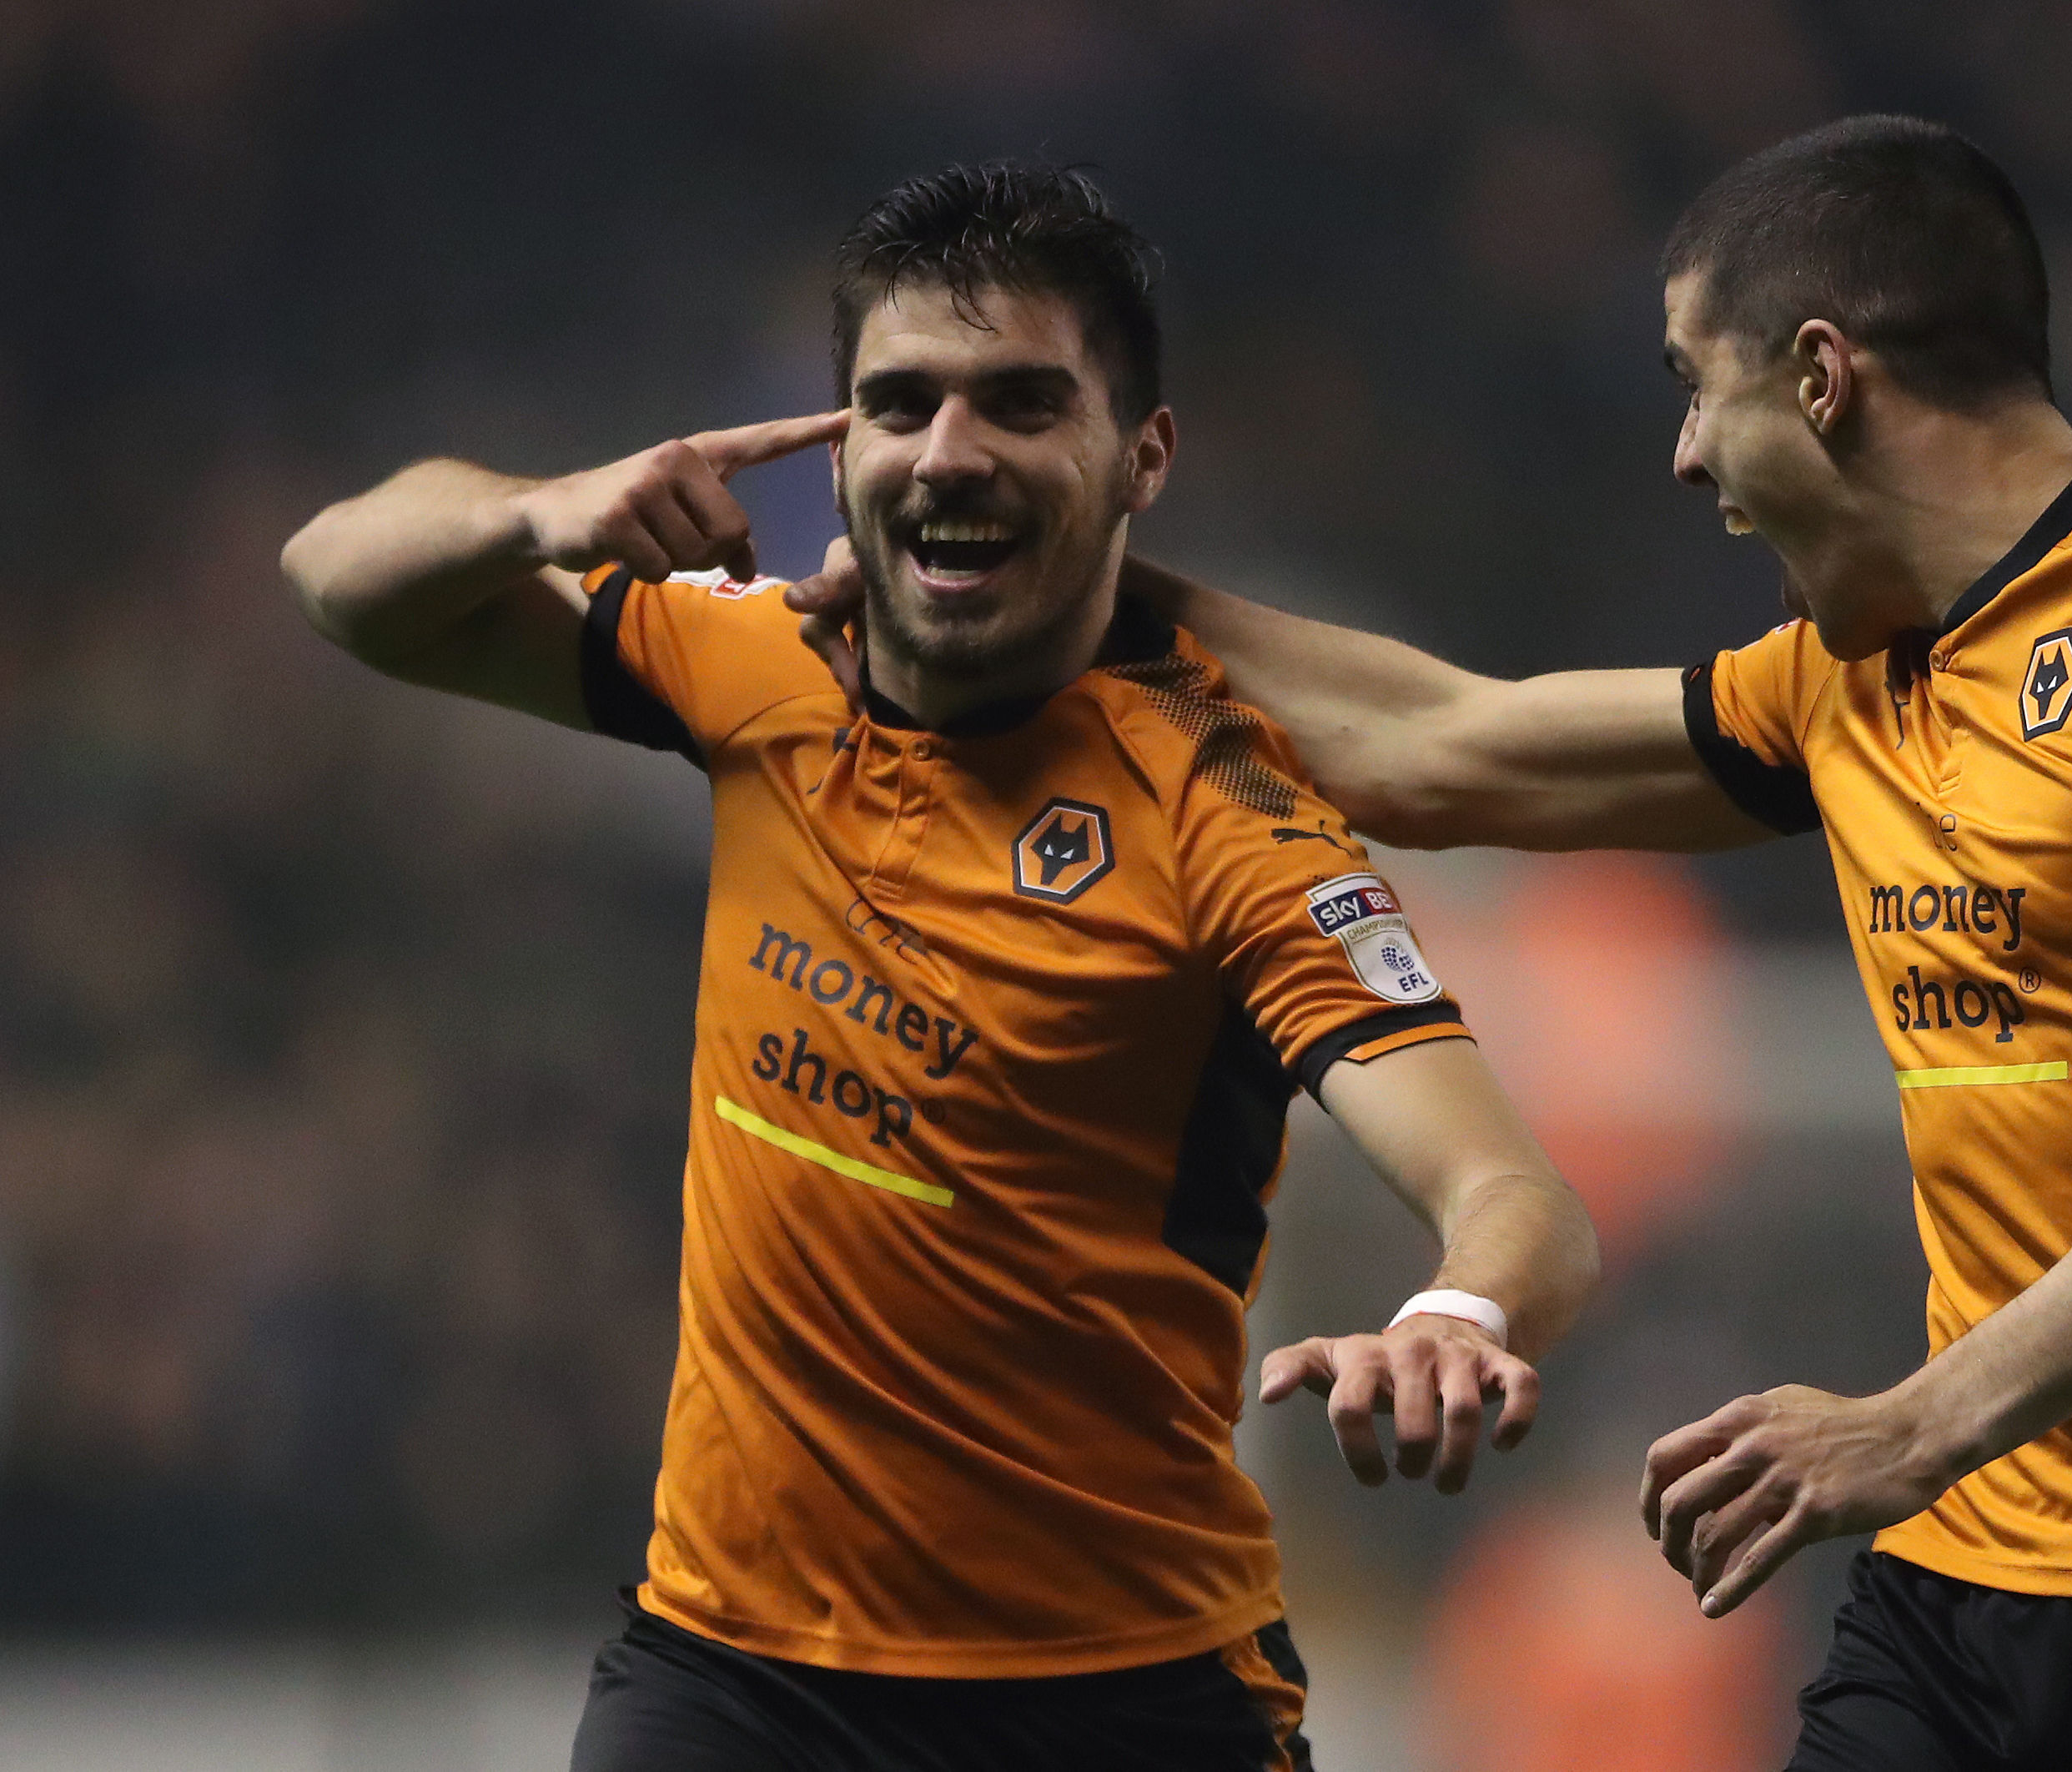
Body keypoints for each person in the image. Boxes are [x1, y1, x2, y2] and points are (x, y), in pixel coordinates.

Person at [795, 116, 2072, 1769]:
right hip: (1965, 1583)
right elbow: (1445, 748)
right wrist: (1061, 565)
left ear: (1823, 378)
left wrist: (1912, 1421)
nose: (1684, 455)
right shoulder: (1848, 676)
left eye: (1700, 384)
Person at [280, 163, 1598, 1772]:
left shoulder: (1223, 816)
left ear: (1141, 460)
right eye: (896, 406)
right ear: (838, 452)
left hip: (1121, 1693)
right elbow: (343, 582)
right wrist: (538, 513)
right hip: (732, 1674)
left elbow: (1509, 1189)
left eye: (1021, 404)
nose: (950, 452)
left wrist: (1455, 1312)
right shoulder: (748, 663)